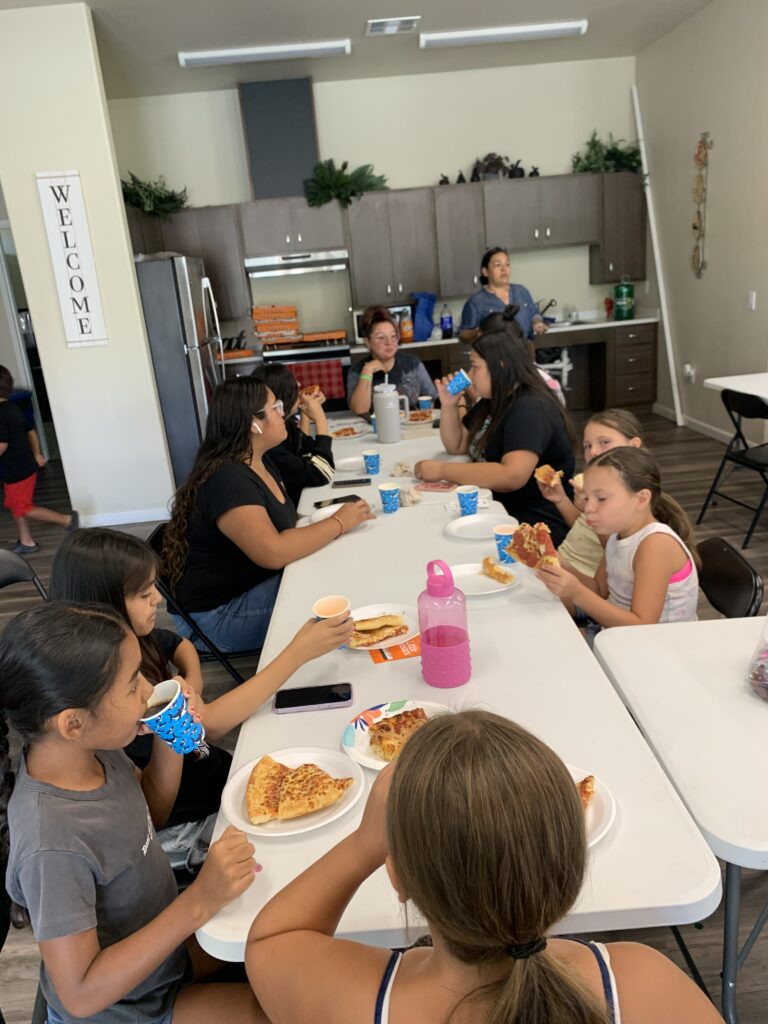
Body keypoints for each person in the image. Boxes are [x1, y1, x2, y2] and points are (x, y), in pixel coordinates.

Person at [245, 709, 723, 1024]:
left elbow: (272, 940)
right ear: (572, 865)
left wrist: (366, 843)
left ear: (399, 877)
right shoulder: (642, 982)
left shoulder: (357, 1004)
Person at [0, 602, 266, 1024]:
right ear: (73, 723)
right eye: (131, 686)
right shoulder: (50, 844)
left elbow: (151, 812)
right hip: (133, 1007)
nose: (148, 689)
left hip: (168, 949)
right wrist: (198, 901)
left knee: (290, 938)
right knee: (290, 1008)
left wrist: (168, 736)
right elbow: (81, 994)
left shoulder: (92, 751)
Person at [49, 528, 352, 866]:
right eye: (144, 594)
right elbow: (207, 730)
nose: (158, 600)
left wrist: (191, 684)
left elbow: (180, 646)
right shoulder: (111, 704)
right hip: (197, 817)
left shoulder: (134, 643)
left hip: (213, 773)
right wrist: (296, 654)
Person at [161, 377, 373, 653]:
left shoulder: (259, 460)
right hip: (216, 618)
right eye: (276, 407)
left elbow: (285, 533)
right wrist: (339, 522)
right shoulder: (228, 479)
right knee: (333, 590)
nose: (284, 413)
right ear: (254, 423)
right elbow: (273, 553)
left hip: (248, 588)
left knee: (333, 566)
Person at [414, 307, 575, 543]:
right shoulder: (495, 399)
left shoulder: (530, 408)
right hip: (501, 508)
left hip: (537, 524)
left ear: (499, 366)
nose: (470, 375)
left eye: (475, 366)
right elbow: (458, 445)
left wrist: (442, 471)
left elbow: (511, 475)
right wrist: (449, 405)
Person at [538, 446, 700, 628]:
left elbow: (642, 625)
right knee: (537, 607)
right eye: (587, 498)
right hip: (615, 627)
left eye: (601, 498)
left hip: (652, 641)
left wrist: (577, 593)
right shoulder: (616, 533)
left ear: (641, 499)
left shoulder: (656, 544)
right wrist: (561, 564)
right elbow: (600, 590)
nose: (588, 508)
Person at [538, 409, 645, 579]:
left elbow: (618, 552)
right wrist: (561, 500)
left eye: (604, 442)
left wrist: (593, 511)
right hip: (564, 559)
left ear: (633, 445)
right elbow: (581, 526)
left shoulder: (634, 495)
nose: (593, 451)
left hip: (590, 577)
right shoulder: (585, 480)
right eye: (588, 446)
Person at [0, 365, 78, 553]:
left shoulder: (1, 414)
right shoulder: (12, 408)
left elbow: (2, 445)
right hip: (21, 467)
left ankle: (67, 520)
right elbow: (31, 432)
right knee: (15, 505)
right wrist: (37, 453)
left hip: (17, 470)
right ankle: (26, 541)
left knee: (23, 508)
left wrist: (36, 455)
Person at [250, 364, 334, 506]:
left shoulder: (286, 426)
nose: (299, 387)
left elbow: (306, 451)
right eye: (294, 388)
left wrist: (305, 414)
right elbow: (322, 471)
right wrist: (320, 418)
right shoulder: (272, 447)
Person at [347, 307, 437, 415]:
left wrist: (421, 417)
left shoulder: (413, 364)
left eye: (393, 336)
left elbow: (430, 399)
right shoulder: (357, 371)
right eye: (381, 337)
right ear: (367, 342)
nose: (389, 342)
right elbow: (360, 410)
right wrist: (367, 372)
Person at [459, 247, 548, 342]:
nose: (504, 269)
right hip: (494, 350)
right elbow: (463, 336)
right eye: (497, 265)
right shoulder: (476, 302)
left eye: (507, 264)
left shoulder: (521, 291)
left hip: (525, 348)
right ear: (485, 272)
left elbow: (534, 315)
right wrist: (480, 332)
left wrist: (537, 323)